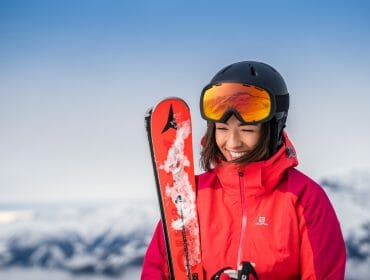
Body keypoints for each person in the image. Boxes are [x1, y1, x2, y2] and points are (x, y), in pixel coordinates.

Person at [141, 61, 346, 279]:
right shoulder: (191, 195)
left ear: (273, 129)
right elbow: (158, 268)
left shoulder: (305, 199)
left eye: (247, 129)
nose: (233, 142)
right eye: (222, 129)